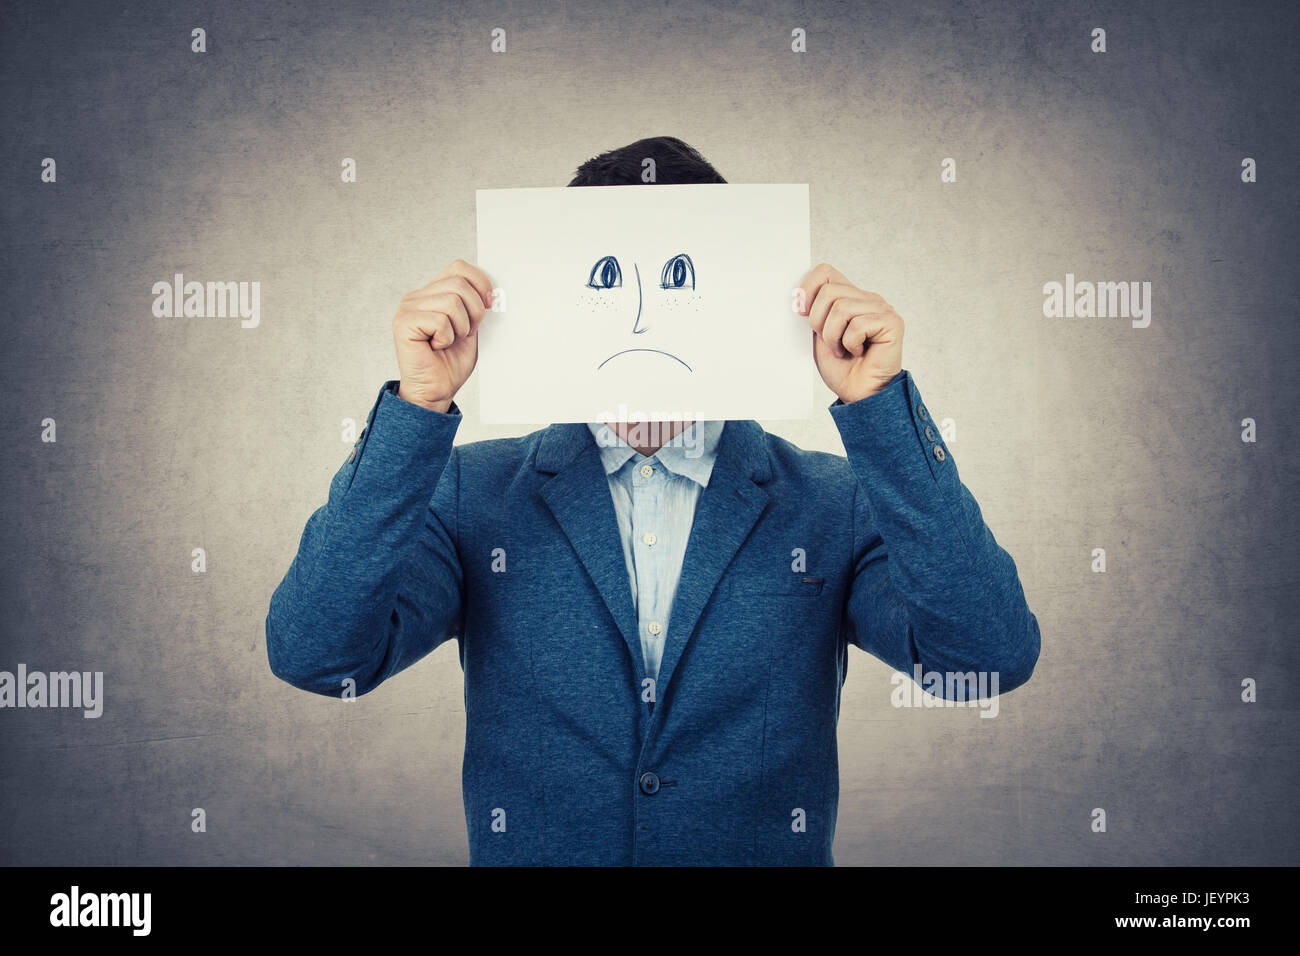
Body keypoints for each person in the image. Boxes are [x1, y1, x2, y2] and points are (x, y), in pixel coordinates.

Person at [265, 136, 1040, 865]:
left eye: (679, 279)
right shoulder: (472, 492)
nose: (643, 317)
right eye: (605, 280)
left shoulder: (833, 502)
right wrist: (417, 411)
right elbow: (319, 655)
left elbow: (985, 659)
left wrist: (881, 414)